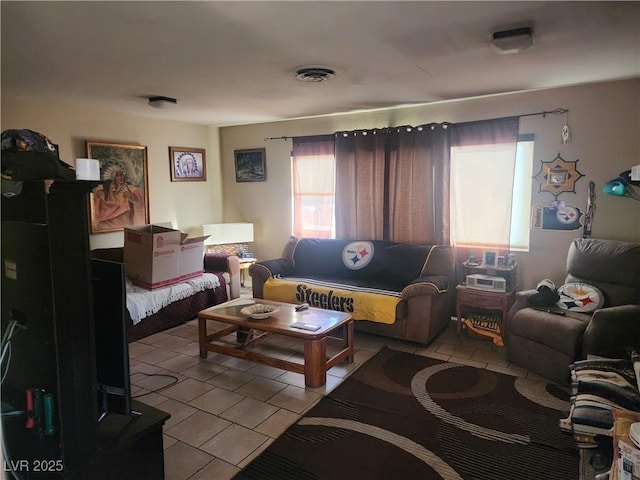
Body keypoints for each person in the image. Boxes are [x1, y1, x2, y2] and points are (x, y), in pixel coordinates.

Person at [92, 164, 145, 231]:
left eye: (121, 175)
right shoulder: (108, 190)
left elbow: (138, 200)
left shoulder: (130, 189)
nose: (120, 177)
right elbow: (104, 202)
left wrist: (130, 196)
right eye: (117, 176)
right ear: (113, 178)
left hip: (125, 219)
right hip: (110, 220)